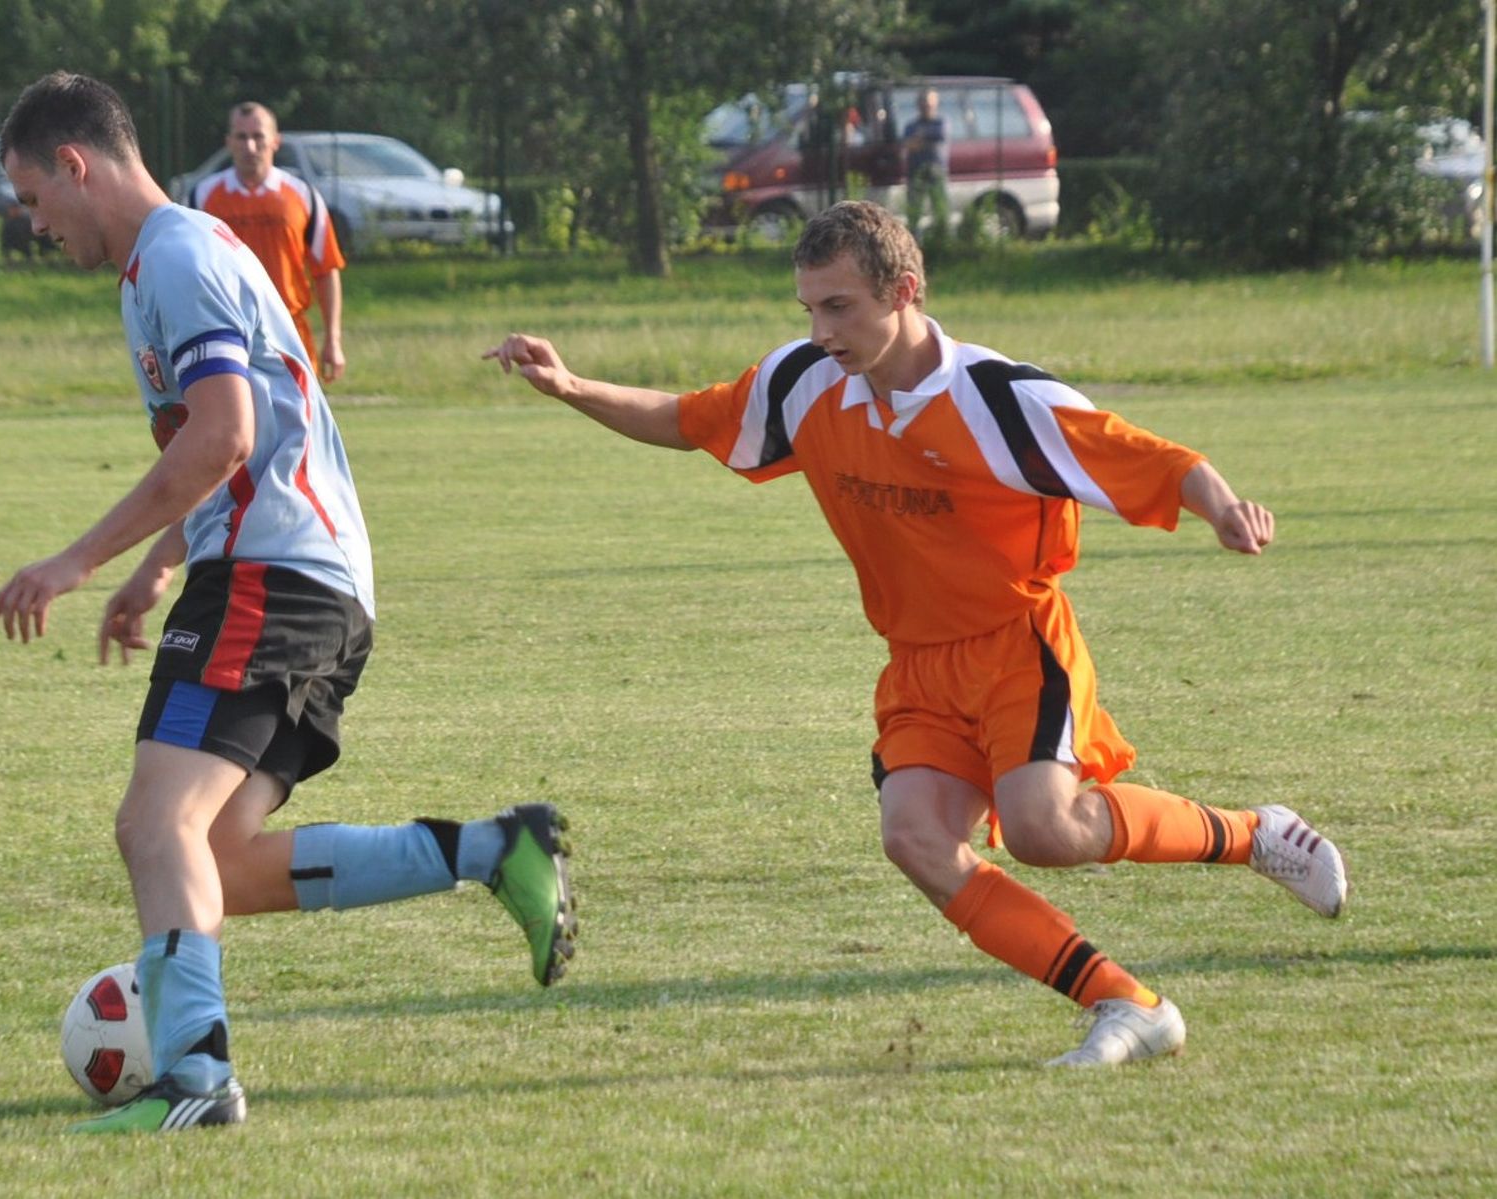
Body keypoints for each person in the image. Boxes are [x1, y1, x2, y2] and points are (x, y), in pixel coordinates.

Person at [484, 200, 1347, 1068]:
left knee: (1045, 829)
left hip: (1016, 642)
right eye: (810, 309)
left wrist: (1225, 507)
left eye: (840, 307)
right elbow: (687, 419)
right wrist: (572, 387)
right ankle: (1125, 1001)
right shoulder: (805, 381)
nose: (822, 330)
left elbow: (1153, 457)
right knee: (915, 838)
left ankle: (1254, 834)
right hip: (918, 662)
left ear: (904, 290)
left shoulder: (1000, 399)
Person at [0, 72, 575, 1133]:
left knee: (153, 821)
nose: (34, 224)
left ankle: (197, 1076)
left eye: (33, 199)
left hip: (273, 572)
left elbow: (225, 438)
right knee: (216, 861)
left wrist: (72, 559)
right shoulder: (157, 267)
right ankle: (495, 848)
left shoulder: (177, 254)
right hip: (289, 571)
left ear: (75, 166)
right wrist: (160, 561)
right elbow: (226, 444)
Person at [194, 102, 347, 383]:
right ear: (229, 142)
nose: (250, 147)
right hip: (226, 332)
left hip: (288, 333)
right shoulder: (202, 198)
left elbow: (326, 270)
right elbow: (188, 273)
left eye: (258, 137)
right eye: (241, 137)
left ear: (275, 141)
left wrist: (333, 340)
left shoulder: (303, 196)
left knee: (300, 424)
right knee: (236, 424)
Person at [901, 89, 950, 239]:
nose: (926, 107)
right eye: (923, 103)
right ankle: (914, 241)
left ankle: (942, 241)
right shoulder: (911, 125)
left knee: (940, 208)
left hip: (937, 170)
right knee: (914, 210)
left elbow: (939, 135)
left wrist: (920, 138)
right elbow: (908, 144)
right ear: (918, 105)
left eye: (929, 104)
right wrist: (923, 139)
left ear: (935, 104)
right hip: (916, 171)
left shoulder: (941, 122)